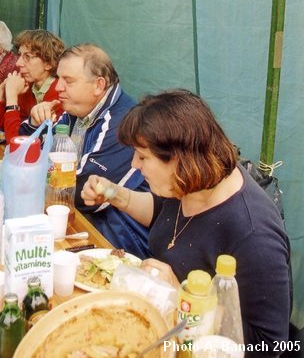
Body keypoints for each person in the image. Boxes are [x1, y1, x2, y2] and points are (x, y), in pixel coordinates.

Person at [81, 90, 291, 349]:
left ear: (179, 159)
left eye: (143, 156)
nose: (134, 164)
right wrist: (113, 193)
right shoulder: (194, 181)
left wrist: (182, 296)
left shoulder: (253, 233)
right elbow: (163, 214)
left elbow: (271, 345)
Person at [28, 43, 150, 257]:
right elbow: (30, 152)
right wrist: (34, 122)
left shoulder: (125, 123)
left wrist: (29, 177)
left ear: (98, 85)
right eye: (58, 78)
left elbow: (80, 190)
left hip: (120, 240)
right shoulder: (78, 109)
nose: (57, 88)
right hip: (81, 221)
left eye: (68, 81)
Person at [0, 29, 64, 140]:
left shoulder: (59, 95)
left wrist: (12, 98)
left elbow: (16, 143)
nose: (18, 63)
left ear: (48, 63)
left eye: (27, 57)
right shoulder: (28, 87)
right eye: (19, 55)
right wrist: (1, 91)